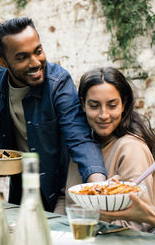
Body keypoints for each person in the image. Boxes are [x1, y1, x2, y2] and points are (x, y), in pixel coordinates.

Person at [0, 17, 107, 212]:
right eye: (22, 57)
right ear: (2, 62)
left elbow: (79, 139)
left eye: (38, 51)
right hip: (21, 187)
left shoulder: (59, 83)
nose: (35, 62)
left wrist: (99, 186)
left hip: (56, 187)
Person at [66, 67, 155, 231]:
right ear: (82, 104)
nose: (103, 115)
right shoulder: (81, 147)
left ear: (124, 104)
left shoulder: (131, 148)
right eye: (94, 106)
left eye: (112, 105)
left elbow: (139, 225)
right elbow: (63, 199)